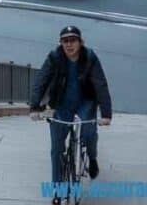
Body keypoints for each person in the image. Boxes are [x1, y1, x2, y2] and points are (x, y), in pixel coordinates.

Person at [29, 26, 113, 205]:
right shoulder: (54, 58)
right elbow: (40, 81)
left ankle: (92, 157)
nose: (69, 44)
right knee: (56, 148)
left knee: (88, 132)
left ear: (80, 42)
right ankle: (58, 191)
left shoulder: (89, 57)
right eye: (65, 41)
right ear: (60, 43)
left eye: (73, 40)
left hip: (85, 103)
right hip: (62, 104)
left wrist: (106, 114)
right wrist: (34, 107)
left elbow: (100, 84)